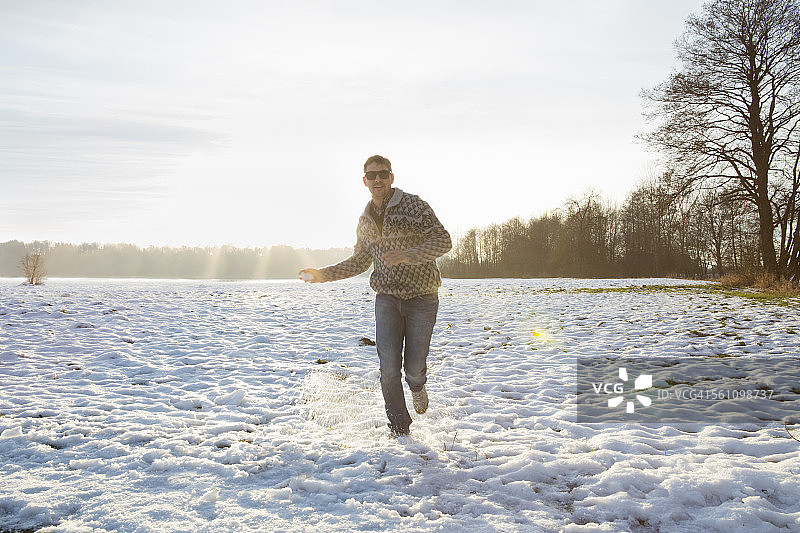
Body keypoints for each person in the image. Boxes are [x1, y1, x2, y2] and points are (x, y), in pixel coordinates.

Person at [299, 155, 452, 437]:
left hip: (422, 297)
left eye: (383, 174)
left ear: (392, 177)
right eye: (372, 175)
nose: (378, 179)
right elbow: (359, 261)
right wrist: (322, 274)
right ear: (365, 181)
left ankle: (418, 386)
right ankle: (399, 429)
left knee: (414, 367)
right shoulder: (365, 219)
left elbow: (443, 240)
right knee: (388, 367)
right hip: (387, 299)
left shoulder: (414, 206)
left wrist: (408, 256)